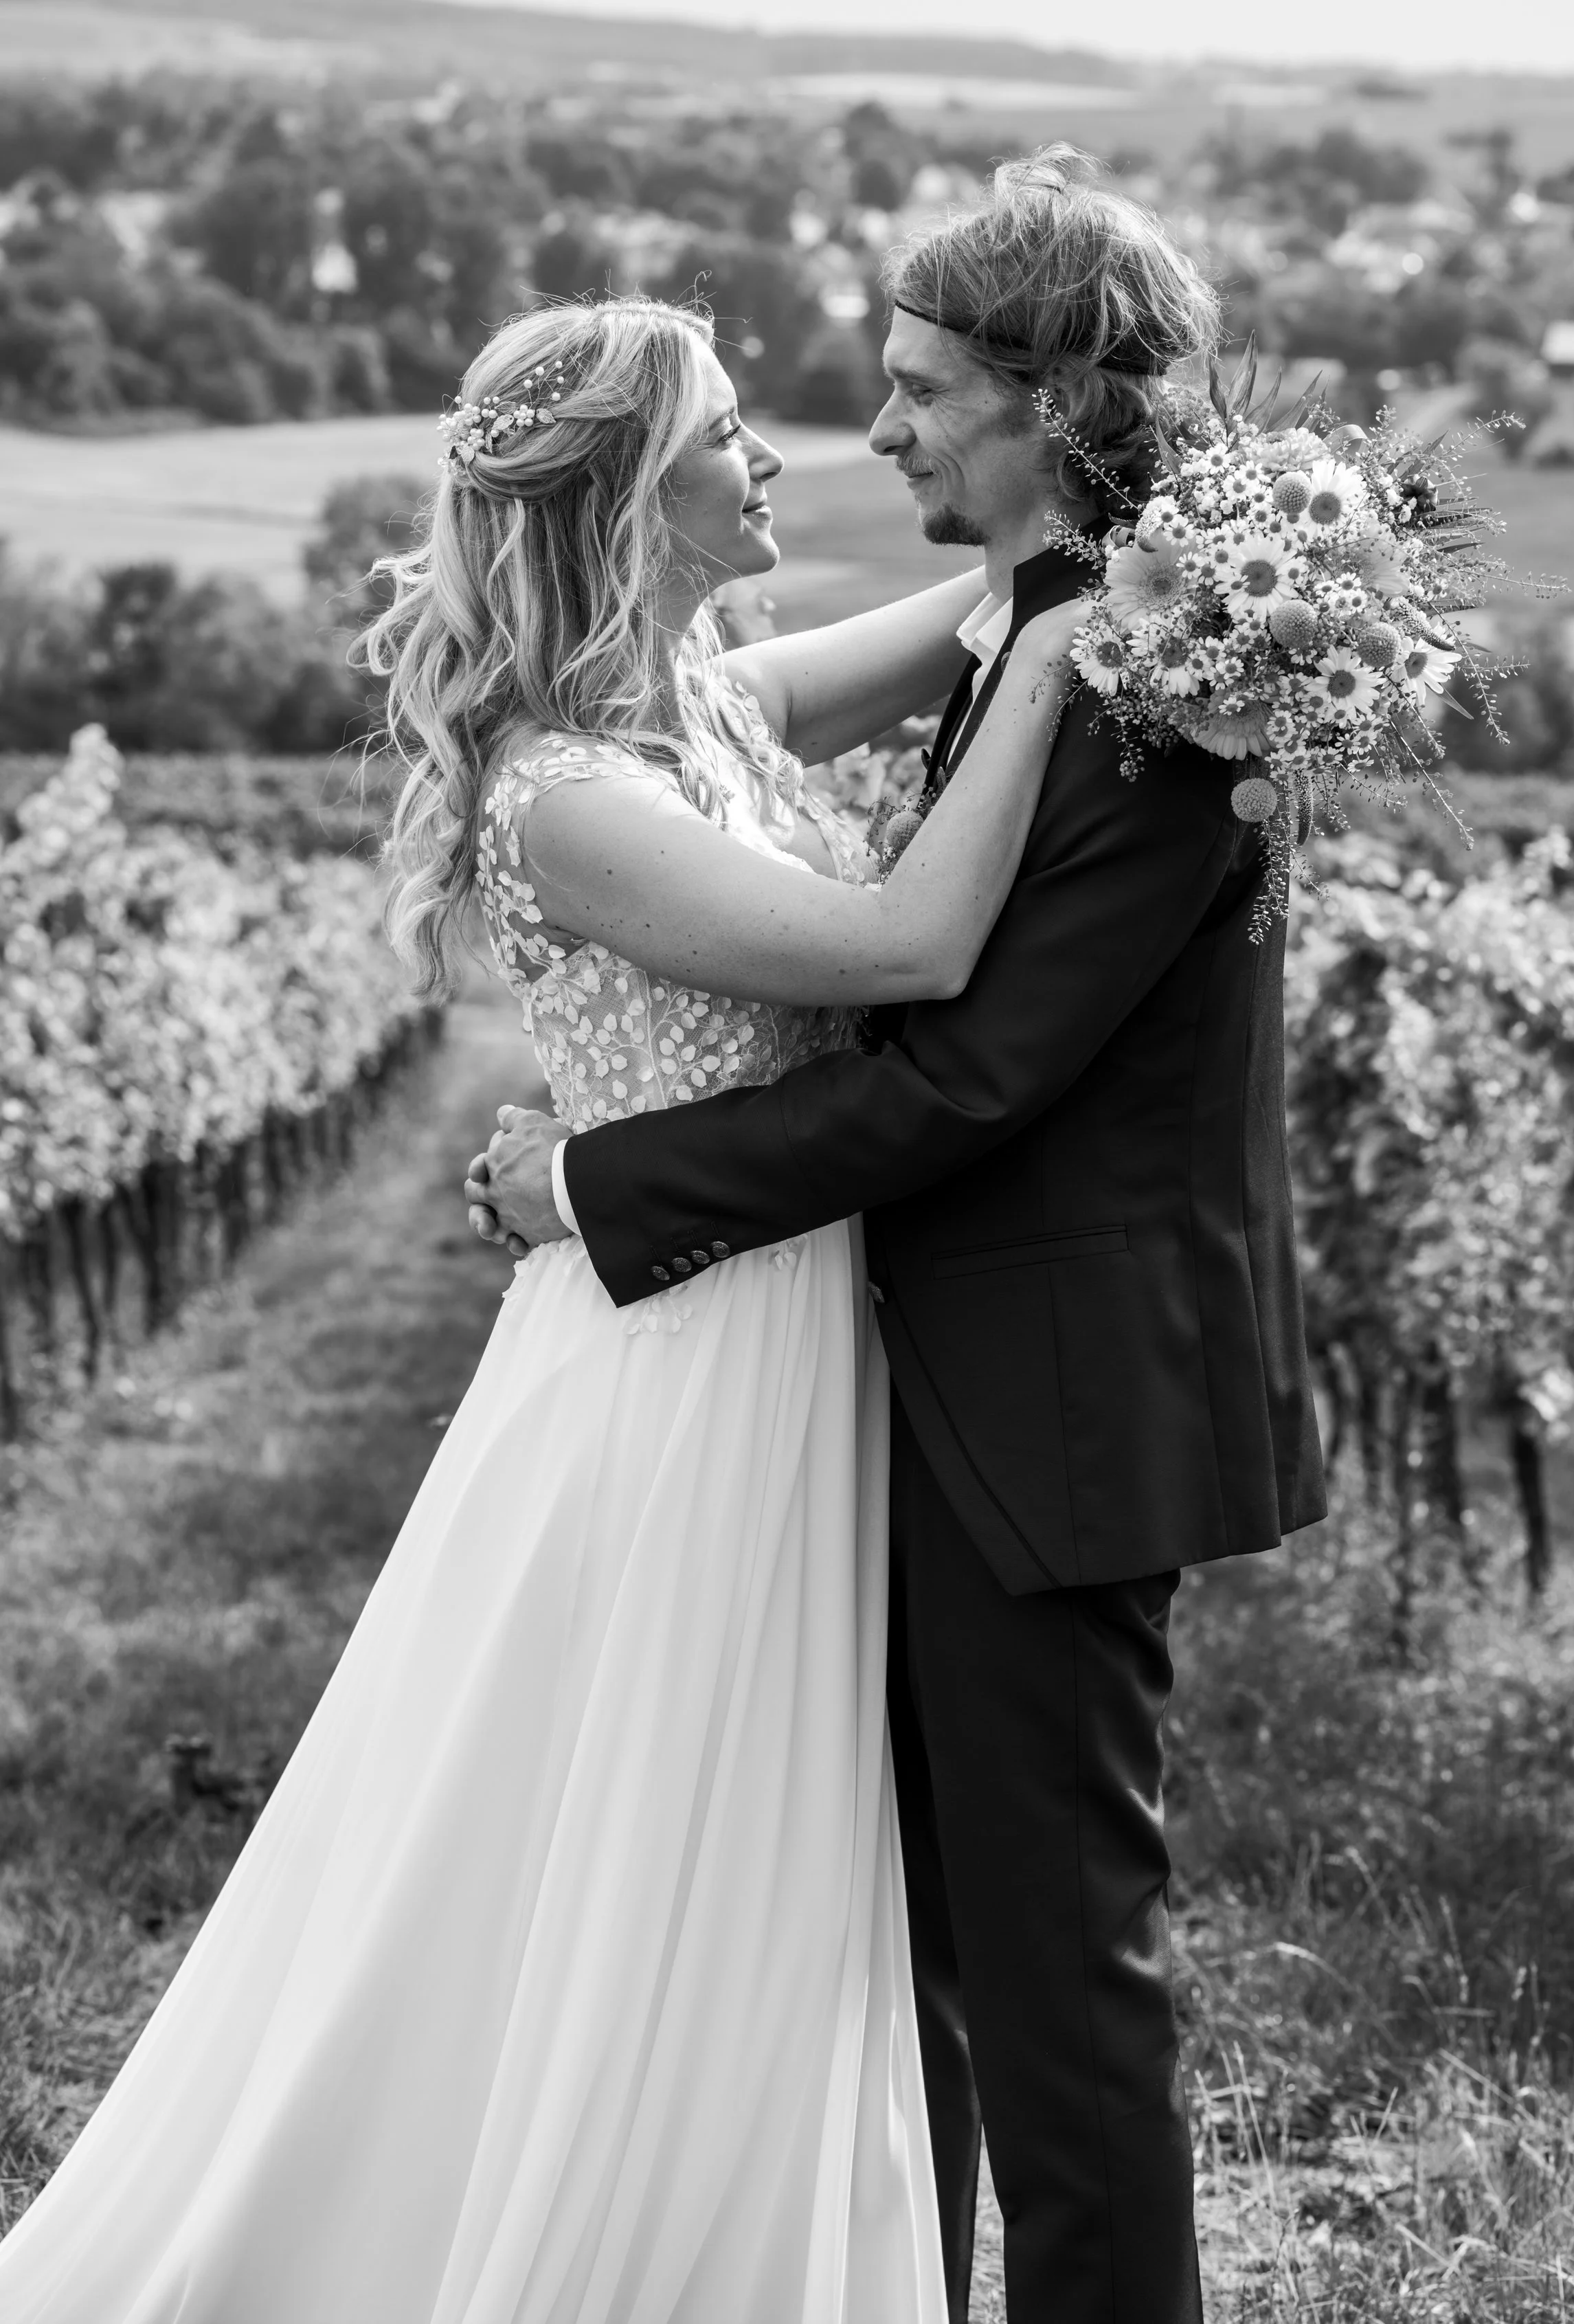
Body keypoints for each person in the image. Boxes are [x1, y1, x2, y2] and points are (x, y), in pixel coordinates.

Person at [0, 293, 1091, 2322]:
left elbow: (992, 603)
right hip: (674, 1367)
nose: (779, 460)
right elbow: (907, 941)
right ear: (626, 495)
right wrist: (1054, 677)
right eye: (728, 437)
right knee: (638, 1816)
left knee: (741, 1835)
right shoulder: (565, 794)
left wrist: (1174, 555)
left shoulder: (721, 706)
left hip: (783, 1333)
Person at [469, 152, 1328, 2324]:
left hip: (1042, 1413)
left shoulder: (1151, 681)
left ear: (1055, 402)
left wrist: (594, 1187)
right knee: (941, 1958)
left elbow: (970, 1070)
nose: (879, 430)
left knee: (1053, 1987)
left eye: (927, 385)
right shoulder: (1054, 626)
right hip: (940, 1391)